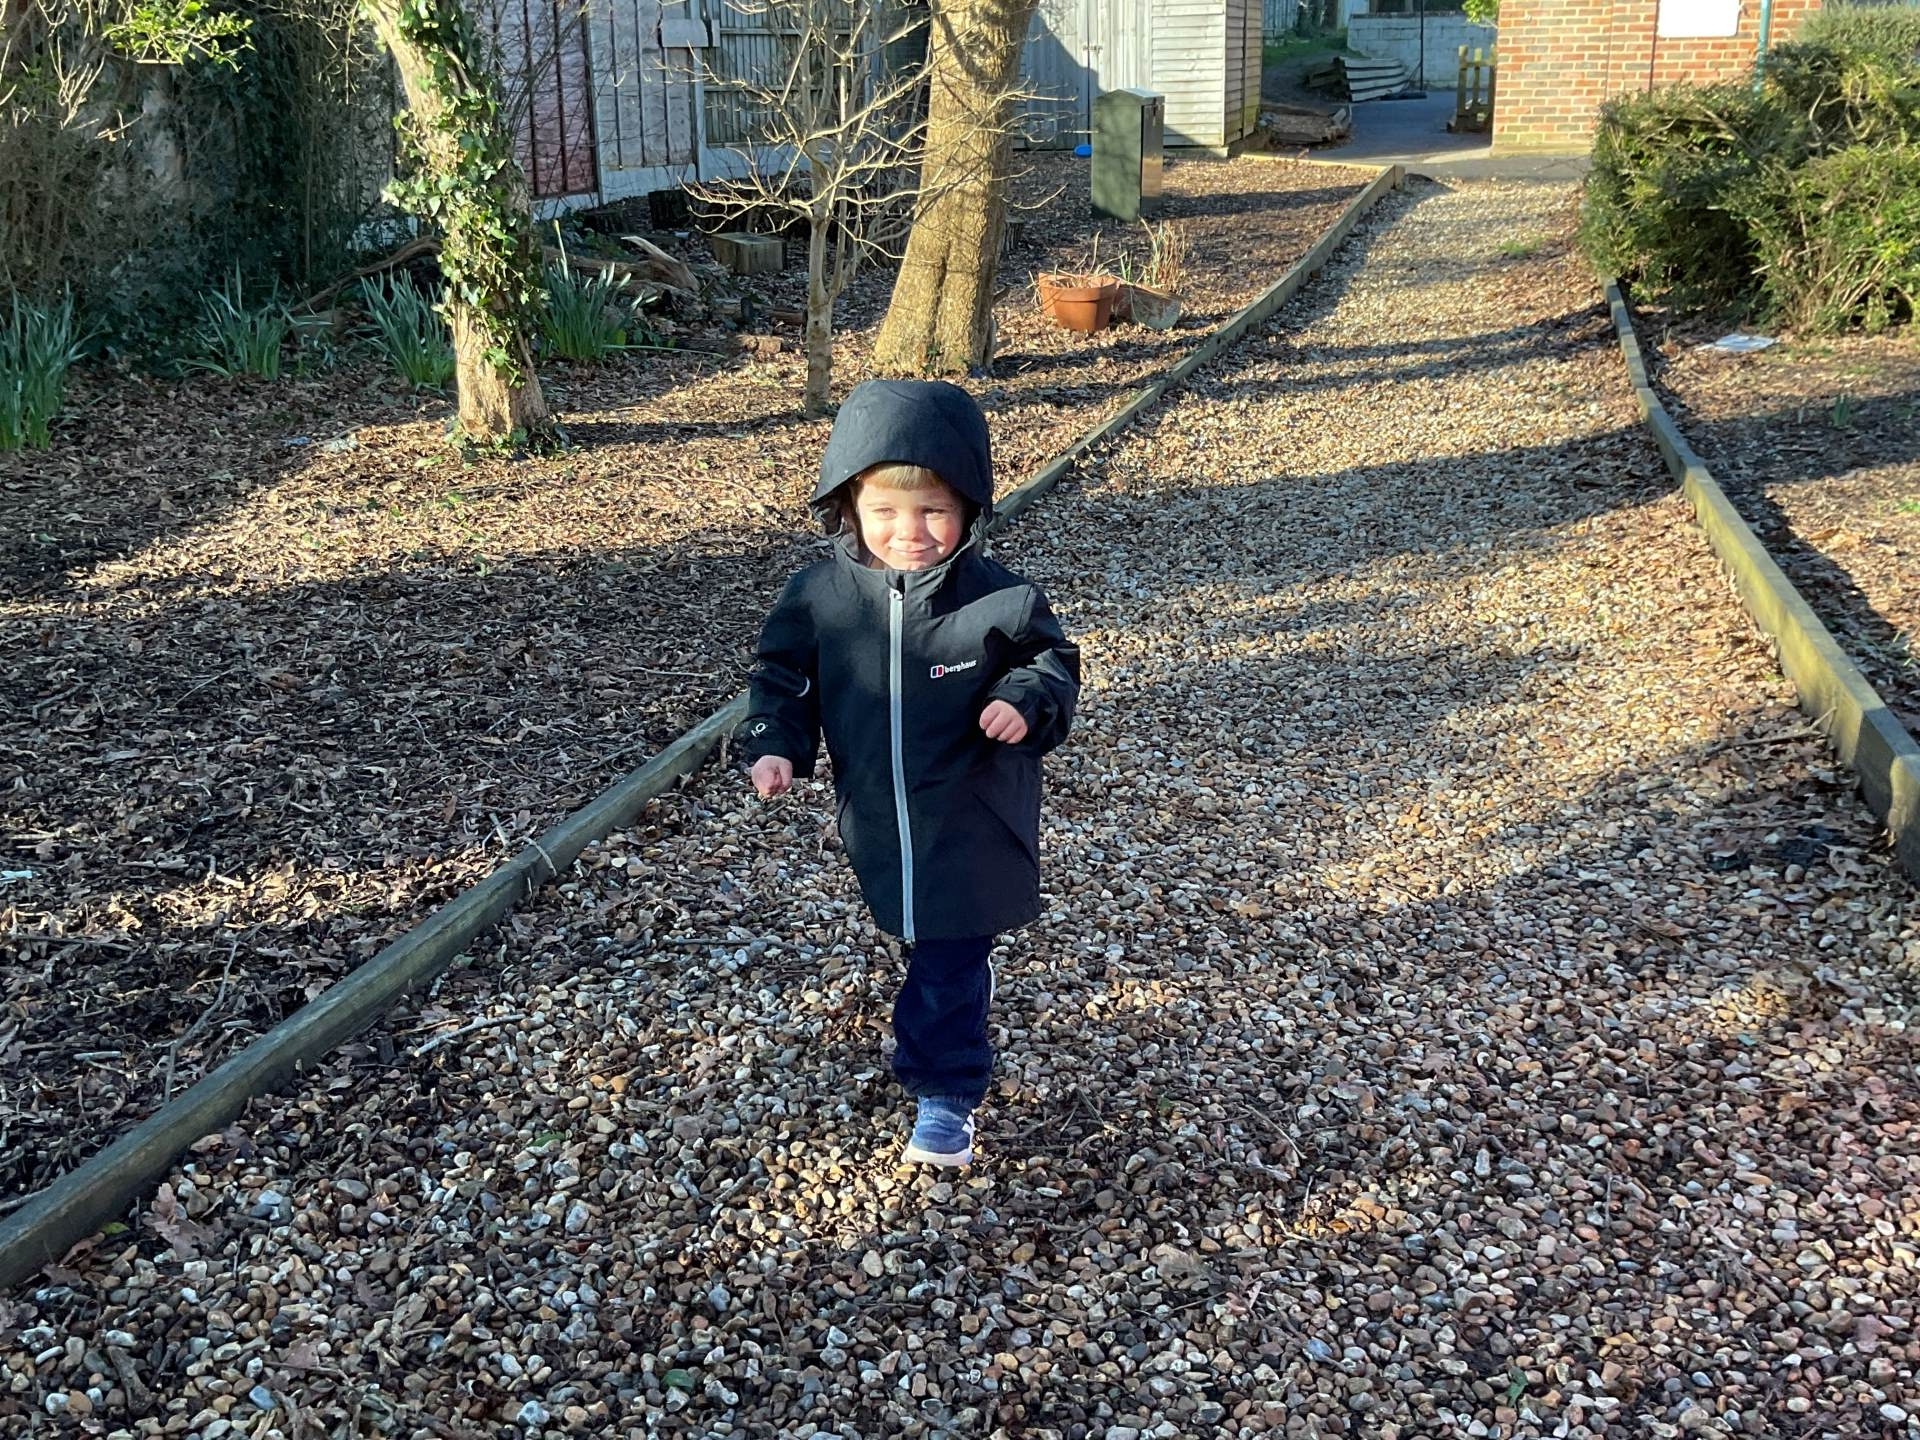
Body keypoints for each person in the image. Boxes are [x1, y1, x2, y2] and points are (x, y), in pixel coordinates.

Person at [737, 379, 1079, 1167]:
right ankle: (948, 997)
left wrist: (1023, 699)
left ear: (968, 510)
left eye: (933, 510)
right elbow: (783, 678)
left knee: (949, 951)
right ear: (847, 508)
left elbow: (1050, 664)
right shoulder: (819, 597)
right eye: (885, 511)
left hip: (974, 813)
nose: (910, 531)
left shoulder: (1000, 599)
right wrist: (774, 743)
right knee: (916, 927)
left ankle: (946, 1091)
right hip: (877, 813)